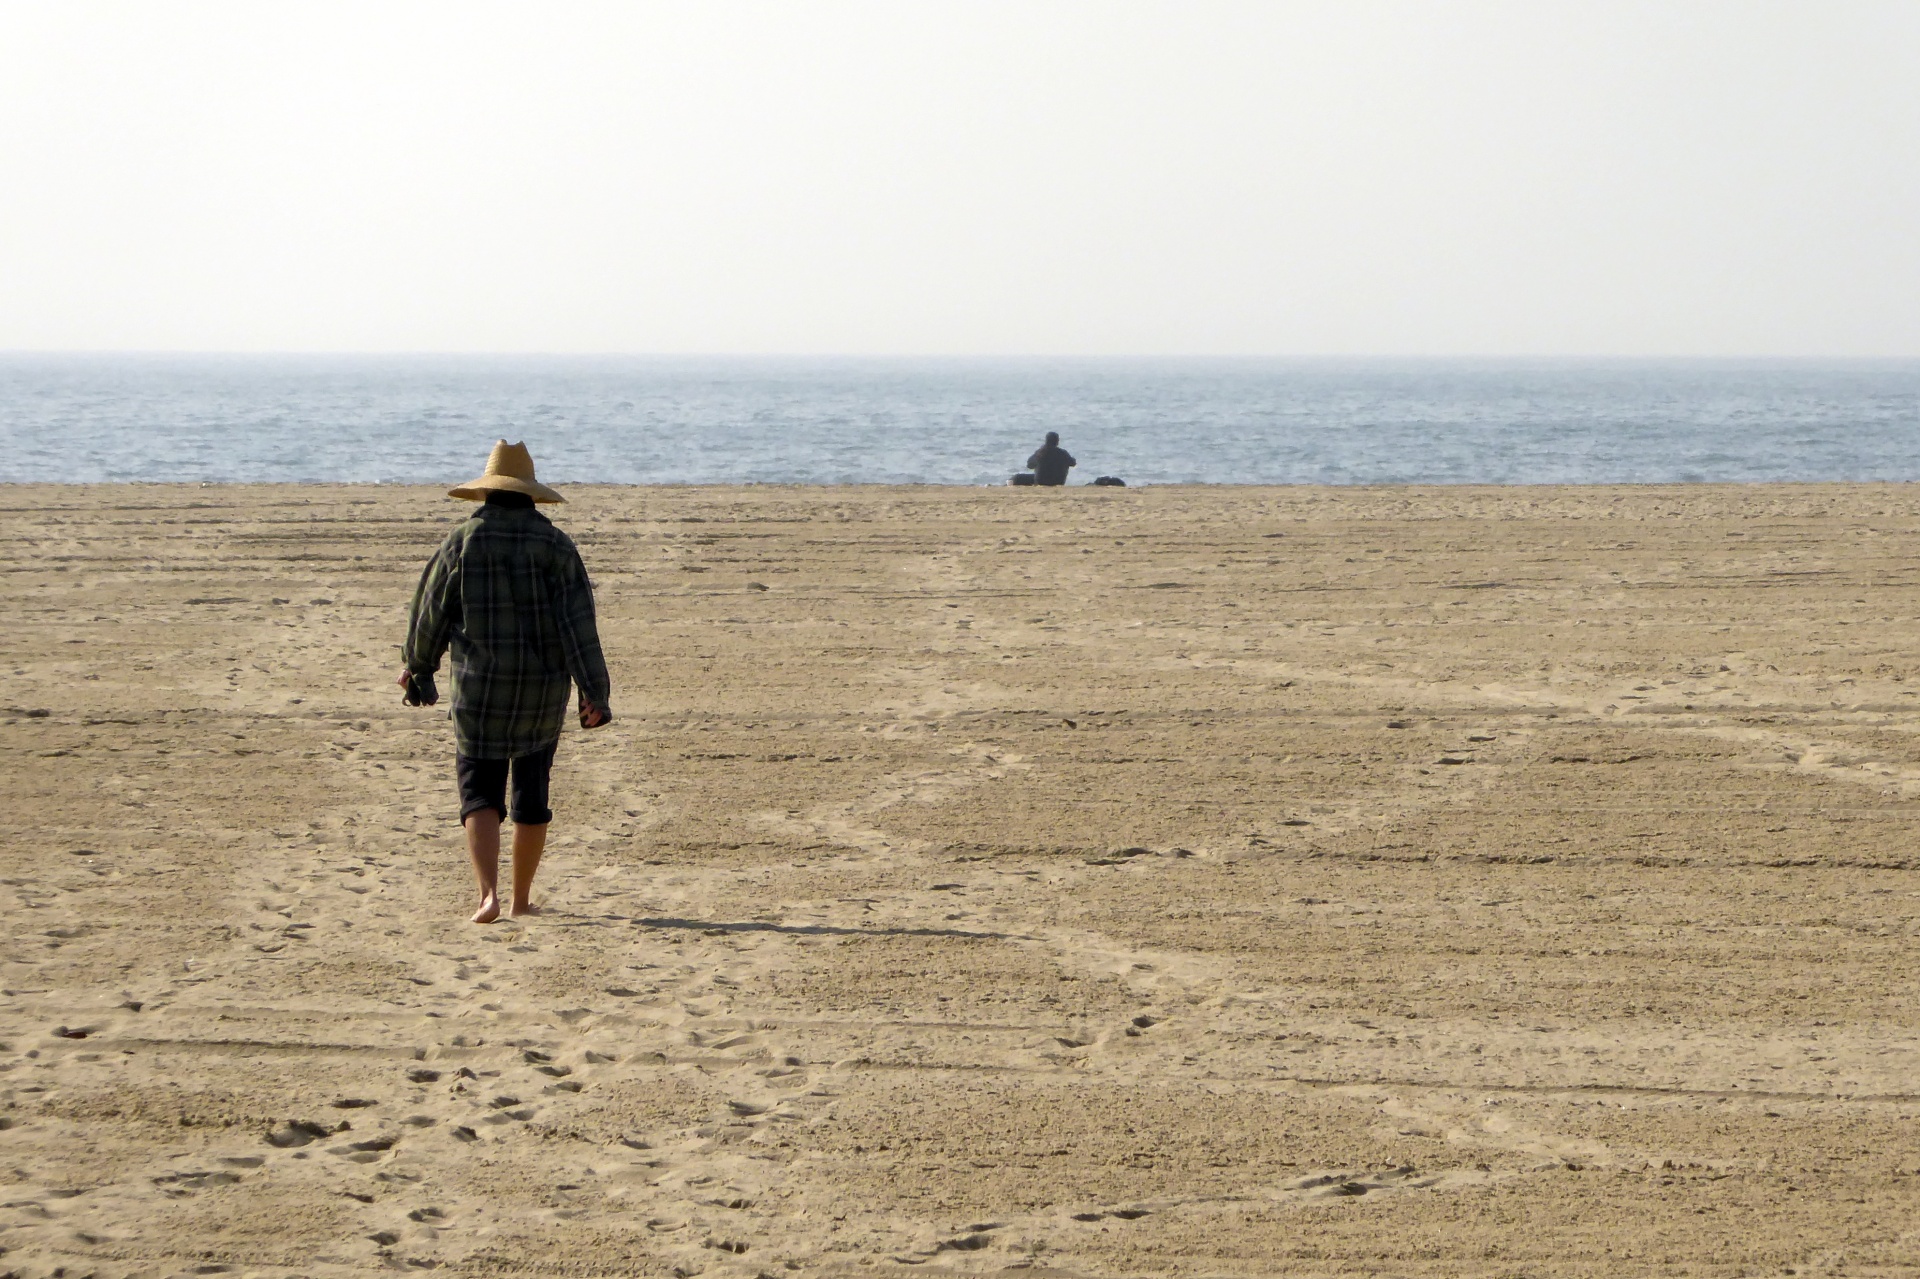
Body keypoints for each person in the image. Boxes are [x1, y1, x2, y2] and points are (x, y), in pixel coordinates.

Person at [398, 441, 612, 923]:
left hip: (478, 689)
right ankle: (520, 899)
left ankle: (487, 895)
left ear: (487, 494)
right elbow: (579, 626)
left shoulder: (462, 541)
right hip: (541, 693)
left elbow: (429, 613)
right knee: (532, 798)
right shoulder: (556, 546)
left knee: (480, 793)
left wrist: (419, 667)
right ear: (531, 496)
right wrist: (593, 692)